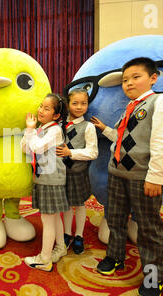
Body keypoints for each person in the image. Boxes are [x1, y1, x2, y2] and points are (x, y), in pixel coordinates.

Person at [90, 57, 163, 296]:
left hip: (143, 178)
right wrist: (105, 129)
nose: (128, 83)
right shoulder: (128, 109)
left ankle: (153, 277)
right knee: (115, 219)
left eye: (135, 77)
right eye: (125, 80)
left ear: (153, 78)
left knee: (148, 228)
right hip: (116, 174)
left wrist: (156, 175)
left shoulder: (161, 102)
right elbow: (123, 139)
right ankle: (116, 256)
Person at [21, 93, 69, 271]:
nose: (40, 110)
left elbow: (36, 147)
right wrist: (30, 130)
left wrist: (31, 129)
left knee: (47, 220)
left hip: (51, 179)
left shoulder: (54, 129)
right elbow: (25, 148)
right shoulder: (41, 129)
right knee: (54, 216)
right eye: (41, 105)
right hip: (45, 178)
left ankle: (45, 259)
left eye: (46, 108)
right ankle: (61, 247)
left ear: (56, 115)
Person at [56, 88, 98, 254]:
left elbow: (93, 152)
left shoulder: (88, 127)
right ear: (68, 104)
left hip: (79, 172)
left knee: (79, 204)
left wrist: (70, 153)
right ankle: (67, 234)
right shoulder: (59, 124)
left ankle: (79, 235)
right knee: (65, 204)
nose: (79, 107)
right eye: (75, 103)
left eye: (84, 103)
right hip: (61, 172)